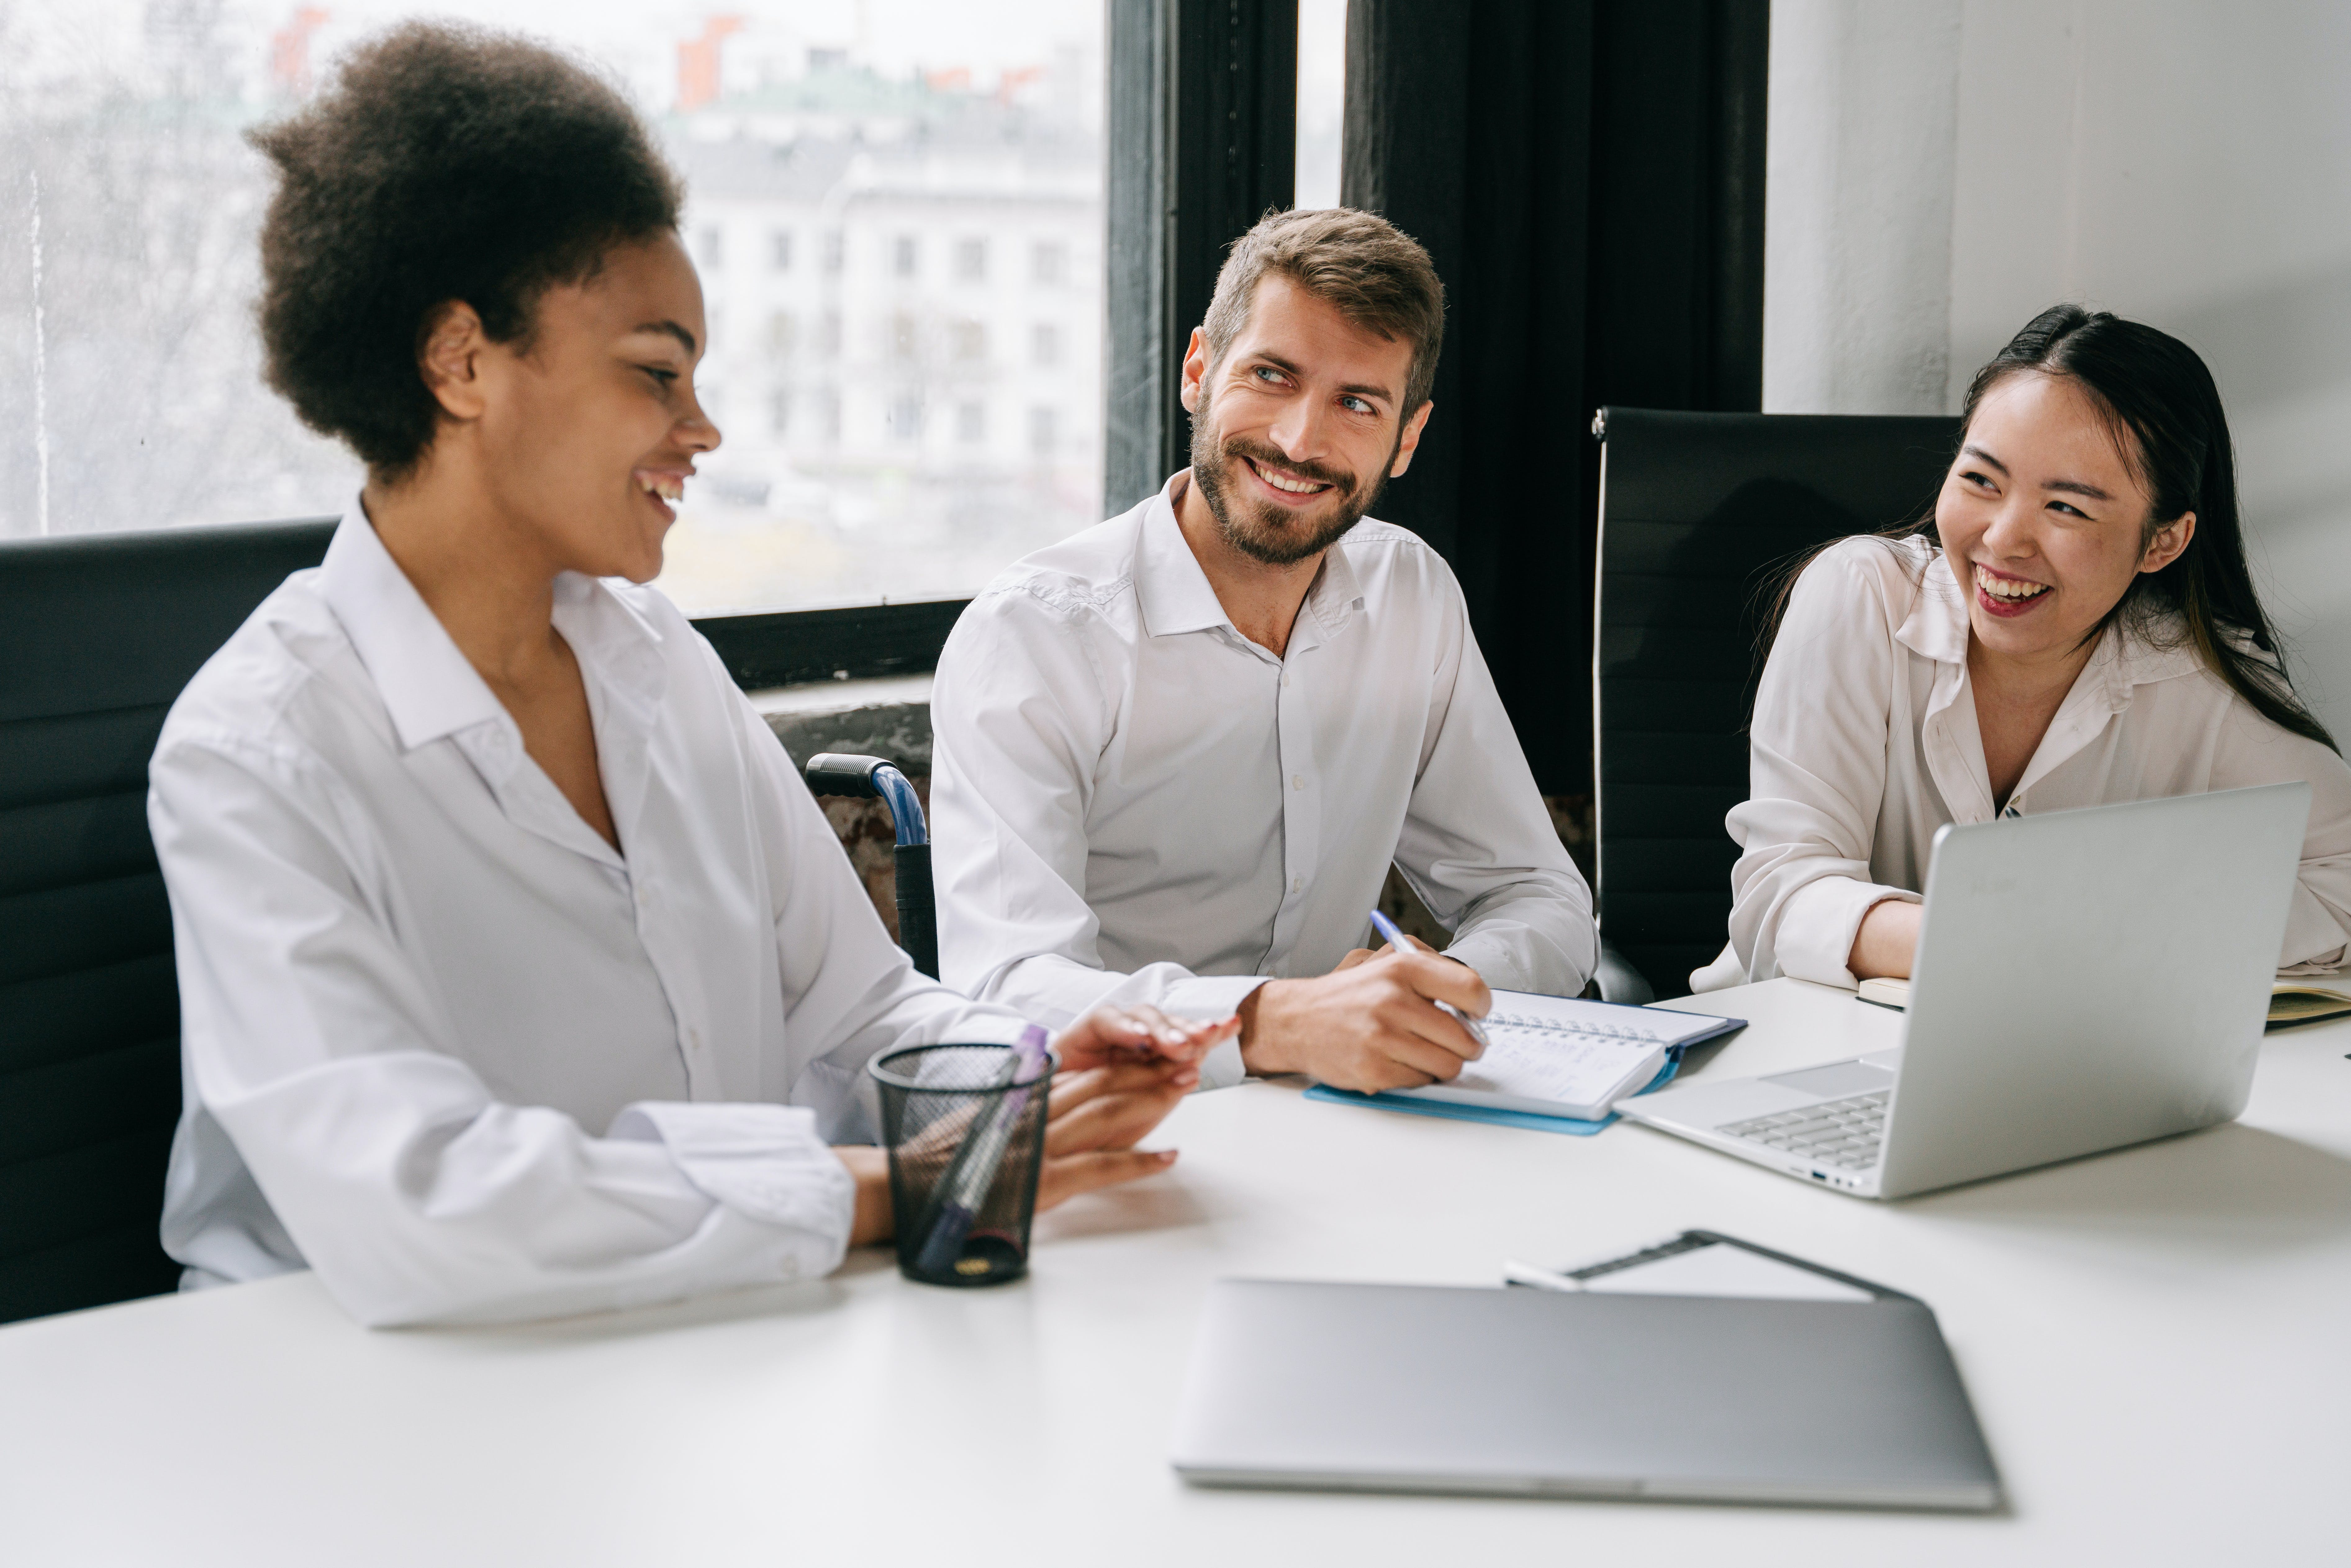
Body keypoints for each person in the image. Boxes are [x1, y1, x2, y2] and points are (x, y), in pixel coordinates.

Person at [148, 23, 1231, 1329]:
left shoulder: (657, 662)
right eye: (656, 372)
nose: (701, 429)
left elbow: (863, 1007)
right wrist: (885, 1191)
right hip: (358, 1398)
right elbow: (418, 1206)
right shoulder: (257, 754)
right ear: (461, 361)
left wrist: (1029, 1072)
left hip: (689, 1341)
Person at [928, 208, 1596, 1095]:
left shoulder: (1411, 596)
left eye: (1356, 403)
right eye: (1270, 376)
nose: (1298, 441)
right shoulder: (1034, 637)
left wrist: (1434, 999)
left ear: (1407, 438)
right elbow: (1008, 989)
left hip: (1346, 1115)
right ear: (1198, 371)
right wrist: (1271, 1024)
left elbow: (1541, 899)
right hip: (1119, 1124)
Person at [1695, 305, 2351, 993]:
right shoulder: (1861, 596)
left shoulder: (2194, 672)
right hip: (1802, 1047)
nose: (2004, 540)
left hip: (2057, 1069)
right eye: (1981, 481)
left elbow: (2340, 875)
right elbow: (1784, 898)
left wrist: (2137, 931)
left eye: (2065, 507)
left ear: (2163, 542)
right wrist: (2025, 943)